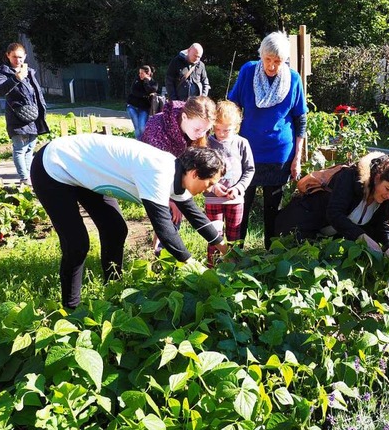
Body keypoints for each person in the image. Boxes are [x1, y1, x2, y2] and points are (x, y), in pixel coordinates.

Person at [30, 133, 228, 309]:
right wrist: (192, 265)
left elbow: (195, 215)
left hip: (85, 169)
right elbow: (165, 230)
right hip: (54, 166)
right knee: (77, 243)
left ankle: (113, 289)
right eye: (210, 183)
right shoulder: (159, 173)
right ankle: (71, 308)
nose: (210, 189)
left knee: (115, 229)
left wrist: (225, 248)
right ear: (195, 173)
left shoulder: (179, 173)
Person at [229, 31, 307, 249]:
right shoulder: (247, 71)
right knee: (241, 204)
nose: (272, 66)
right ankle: (235, 252)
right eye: (268, 60)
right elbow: (232, 107)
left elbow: (300, 119)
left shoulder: (293, 78)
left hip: (278, 154)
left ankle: (270, 255)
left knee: (273, 209)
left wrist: (297, 158)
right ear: (261, 55)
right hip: (247, 152)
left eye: (278, 61)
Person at [275, 153, 389, 258]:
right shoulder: (350, 177)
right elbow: (334, 214)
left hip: (322, 238)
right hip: (300, 225)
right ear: (377, 178)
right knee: (290, 263)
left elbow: (384, 225)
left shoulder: (383, 200)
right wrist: (362, 237)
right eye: (387, 189)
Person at [141, 95, 216, 254]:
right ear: (184, 117)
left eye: (205, 130)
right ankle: (163, 258)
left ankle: (160, 249)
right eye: (197, 129)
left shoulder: (195, 127)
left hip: (176, 177)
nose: (201, 134)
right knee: (170, 217)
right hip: (151, 178)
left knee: (179, 212)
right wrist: (171, 200)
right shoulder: (158, 128)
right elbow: (152, 173)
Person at [204, 100, 255, 264]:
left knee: (234, 236)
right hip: (213, 199)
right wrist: (213, 186)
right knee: (214, 235)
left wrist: (239, 188)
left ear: (236, 127)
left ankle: (233, 268)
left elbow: (249, 170)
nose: (221, 133)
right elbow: (200, 171)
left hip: (235, 199)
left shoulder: (242, 143)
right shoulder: (207, 143)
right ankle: (211, 268)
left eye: (226, 130)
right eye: (217, 129)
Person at [0, 42, 50, 185]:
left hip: (33, 117)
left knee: (30, 149)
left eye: (20, 57)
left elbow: (36, 94)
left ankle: (29, 176)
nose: (17, 60)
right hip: (17, 117)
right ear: (8, 55)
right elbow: (0, 90)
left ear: (25, 56)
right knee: (20, 149)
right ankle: (24, 177)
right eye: (14, 57)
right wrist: (16, 78)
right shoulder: (3, 72)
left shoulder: (29, 71)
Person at [126, 65, 158, 139]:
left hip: (144, 108)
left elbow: (151, 90)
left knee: (142, 127)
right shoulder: (137, 80)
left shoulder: (153, 83)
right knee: (137, 127)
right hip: (132, 106)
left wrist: (146, 81)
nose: (140, 75)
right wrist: (145, 95)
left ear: (148, 73)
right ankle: (139, 143)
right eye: (139, 73)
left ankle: (144, 143)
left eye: (142, 73)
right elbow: (134, 91)